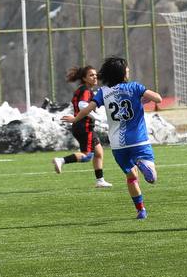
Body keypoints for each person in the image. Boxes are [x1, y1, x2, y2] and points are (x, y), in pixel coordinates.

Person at [63, 57, 162, 220]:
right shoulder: (135, 87)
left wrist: (74, 119)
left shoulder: (103, 92)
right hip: (139, 140)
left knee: (131, 177)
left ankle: (141, 210)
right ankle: (143, 164)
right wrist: (142, 98)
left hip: (118, 146)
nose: (129, 71)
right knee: (152, 178)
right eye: (127, 69)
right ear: (122, 73)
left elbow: (88, 109)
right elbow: (157, 98)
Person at [52, 65, 112, 188]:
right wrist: (98, 118)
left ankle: (100, 180)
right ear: (84, 78)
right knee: (87, 155)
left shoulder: (83, 89)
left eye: (95, 75)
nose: (95, 77)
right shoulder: (85, 90)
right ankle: (61, 160)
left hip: (81, 125)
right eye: (91, 75)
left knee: (99, 152)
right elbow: (82, 105)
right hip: (84, 126)